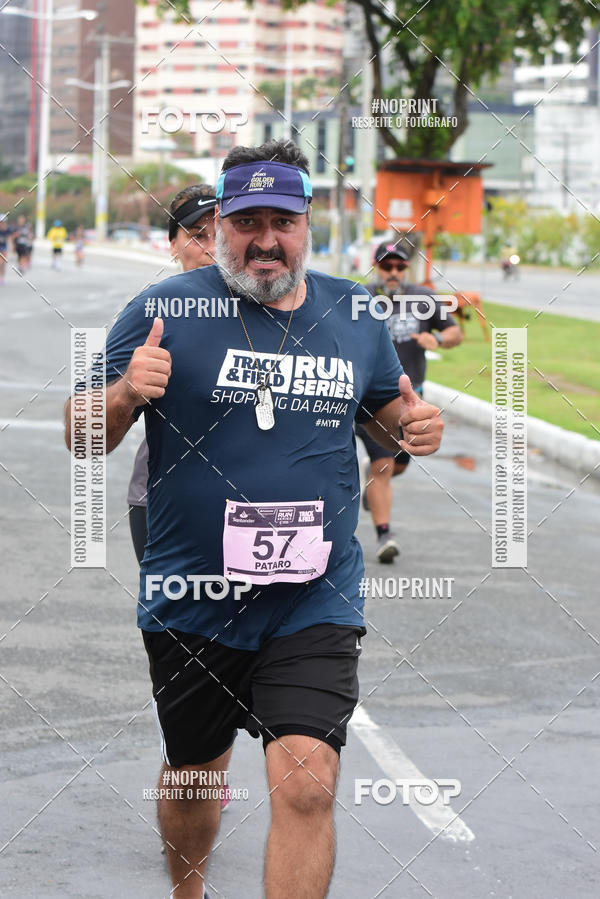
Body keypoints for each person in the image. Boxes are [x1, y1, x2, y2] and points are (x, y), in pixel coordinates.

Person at [64, 139, 444, 899]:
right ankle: (189, 888)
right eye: (246, 221)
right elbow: (81, 434)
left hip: (314, 595)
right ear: (222, 224)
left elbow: (383, 412)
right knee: (195, 772)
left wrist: (412, 425)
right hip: (195, 593)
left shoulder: (355, 313)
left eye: (282, 219)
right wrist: (124, 394)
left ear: (308, 222)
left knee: (307, 780)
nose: (266, 239)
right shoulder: (163, 310)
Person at [128, 183, 219, 565]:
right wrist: (127, 391)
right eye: (198, 236)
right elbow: (84, 431)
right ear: (173, 244)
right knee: (176, 623)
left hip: (257, 508)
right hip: (161, 501)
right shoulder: (153, 312)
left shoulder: (275, 307)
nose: (212, 248)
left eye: (223, 235)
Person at [356, 241, 462, 563]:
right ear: (376, 267)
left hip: (410, 400)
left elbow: (455, 333)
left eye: (399, 267)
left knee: (397, 465)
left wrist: (438, 339)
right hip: (368, 398)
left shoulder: (424, 299)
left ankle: (374, 491)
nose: (393, 272)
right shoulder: (359, 299)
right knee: (383, 464)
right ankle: (385, 534)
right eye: (386, 266)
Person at [0, 215, 10, 285]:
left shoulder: (7, 230)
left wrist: (12, 247)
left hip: (4, 248)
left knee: (3, 263)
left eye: (4, 222)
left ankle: (2, 277)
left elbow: (9, 238)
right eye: (2, 222)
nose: (3, 223)